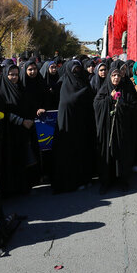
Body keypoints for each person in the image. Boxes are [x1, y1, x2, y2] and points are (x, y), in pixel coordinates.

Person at [51, 60, 96, 193]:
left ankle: (84, 179)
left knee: (83, 152)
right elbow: (67, 101)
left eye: (78, 69)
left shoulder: (84, 82)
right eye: (74, 69)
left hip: (83, 125)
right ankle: (71, 182)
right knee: (69, 154)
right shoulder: (65, 84)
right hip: (68, 127)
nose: (76, 71)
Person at [0, 64, 39, 196]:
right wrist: (20, 121)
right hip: (9, 132)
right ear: (5, 75)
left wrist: (30, 118)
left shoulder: (21, 89)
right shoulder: (0, 91)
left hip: (24, 131)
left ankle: (23, 186)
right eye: (11, 74)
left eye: (16, 74)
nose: (14, 77)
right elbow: (0, 113)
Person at [94, 67, 136, 193]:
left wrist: (121, 103)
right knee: (108, 155)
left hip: (122, 129)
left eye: (118, 75)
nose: (116, 78)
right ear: (109, 77)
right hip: (107, 130)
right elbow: (96, 104)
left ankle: (123, 181)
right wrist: (109, 99)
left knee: (122, 154)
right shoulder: (105, 89)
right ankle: (106, 181)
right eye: (113, 76)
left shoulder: (126, 89)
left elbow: (133, 106)